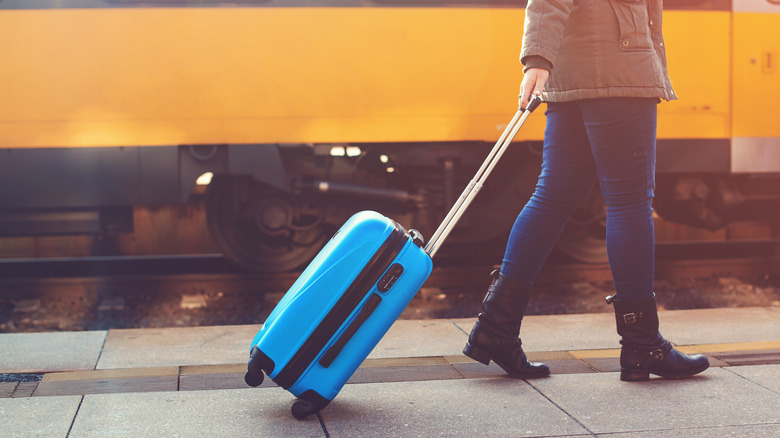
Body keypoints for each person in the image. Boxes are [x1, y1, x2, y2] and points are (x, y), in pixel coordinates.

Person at [463, 0, 710, 381]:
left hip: (575, 72)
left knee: (553, 196)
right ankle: (642, 343)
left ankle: (496, 328)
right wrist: (536, 59)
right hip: (618, 68)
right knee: (629, 202)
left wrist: (543, 61)